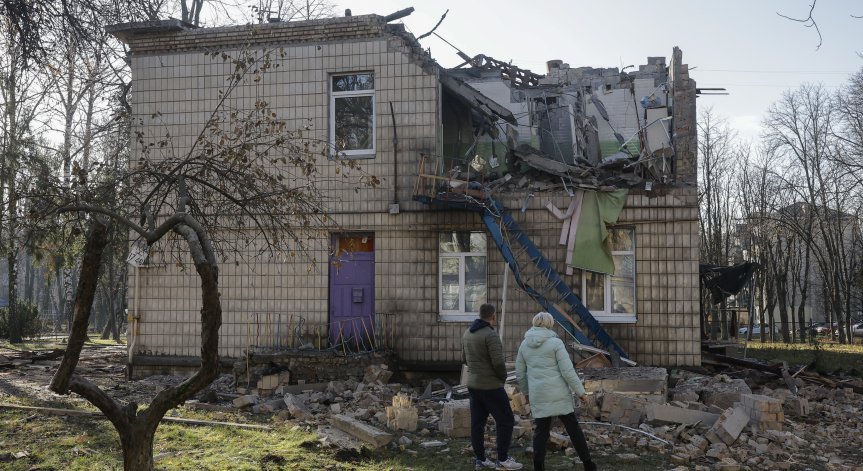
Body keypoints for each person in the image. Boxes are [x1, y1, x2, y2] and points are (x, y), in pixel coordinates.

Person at [515, 312, 596, 471]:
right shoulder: (556, 343)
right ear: (550, 324)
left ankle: (539, 467)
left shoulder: (524, 345)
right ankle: (588, 464)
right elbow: (567, 371)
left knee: (541, 432)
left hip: (538, 394)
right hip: (558, 394)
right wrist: (581, 393)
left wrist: (526, 393)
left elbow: (520, 373)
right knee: (573, 429)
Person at [462, 303, 523, 470]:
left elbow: (465, 359)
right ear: (493, 316)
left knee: (477, 424)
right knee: (506, 420)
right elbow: (498, 362)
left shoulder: (468, 333)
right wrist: (502, 377)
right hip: (490, 385)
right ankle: (502, 459)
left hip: (473, 385)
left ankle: (480, 459)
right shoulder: (490, 335)